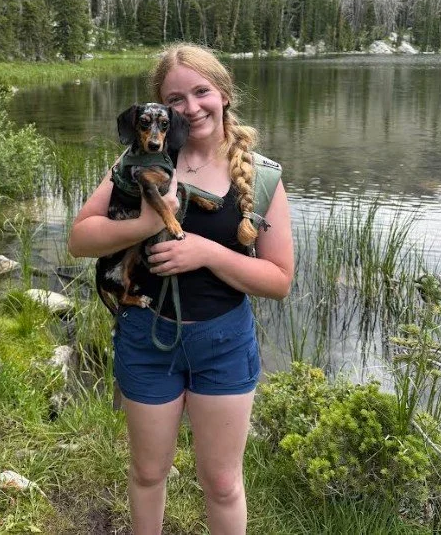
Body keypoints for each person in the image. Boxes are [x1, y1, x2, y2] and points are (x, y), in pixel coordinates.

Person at [68, 43, 294, 535]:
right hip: (147, 337)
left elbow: (279, 281)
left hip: (223, 342)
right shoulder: (135, 163)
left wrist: (207, 253)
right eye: (176, 99)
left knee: (222, 484)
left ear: (223, 94)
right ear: (159, 111)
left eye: (201, 92)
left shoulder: (263, 175)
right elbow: (79, 238)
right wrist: (145, 223)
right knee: (149, 472)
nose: (191, 107)